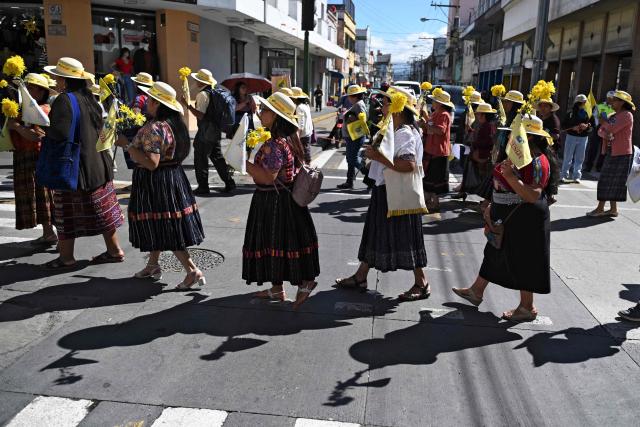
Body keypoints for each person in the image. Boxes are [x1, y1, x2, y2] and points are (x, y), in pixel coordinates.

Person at [452, 115, 560, 321]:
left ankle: (527, 307)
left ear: (529, 137)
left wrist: (510, 176)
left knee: (524, 261)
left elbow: (533, 195)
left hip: (527, 218)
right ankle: (476, 291)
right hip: (509, 214)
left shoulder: (538, 161)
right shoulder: (518, 158)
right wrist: (492, 205)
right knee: (494, 251)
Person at [335, 87, 430, 300]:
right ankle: (361, 275)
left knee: (406, 238)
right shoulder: (395, 129)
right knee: (376, 232)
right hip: (387, 190)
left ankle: (421, 283)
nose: (382, 107)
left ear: (397, 107)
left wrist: (377, 157)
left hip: (397, 193)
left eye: (386, 103)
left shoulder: (404, 132)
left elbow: (408, 164)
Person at [115, 81, 205, 289]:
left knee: (167, 228)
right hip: (172, 178)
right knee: (161, 224)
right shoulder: (174, 124)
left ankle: (192, 270)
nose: (146, 102)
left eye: (149, 99)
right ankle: (153, 264)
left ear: (156, 103)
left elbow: (151, 163)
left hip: (156, 182)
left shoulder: (154, 128)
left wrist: (126, 145)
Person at [42, 57, 125, 268]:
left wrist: (43, 130)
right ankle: (114, 250)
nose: (56, 80)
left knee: (65, 212)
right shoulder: (91, 98)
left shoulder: (64, 100)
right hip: (98, 164)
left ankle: (66, 257)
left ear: (63, 79)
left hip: (76, 168)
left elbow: (60, 132)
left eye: (58, 77)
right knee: (101, 209)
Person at [243, 92, 320, 309]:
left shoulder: (275, 144)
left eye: (266, 110)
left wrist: (242, 162)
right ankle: (277, 288)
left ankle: (305, 283)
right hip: (280, 201)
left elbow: (268, 177)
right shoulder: (286, 139)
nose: (261, 112)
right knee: (277, 244)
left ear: (276, 117)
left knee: (277, 244)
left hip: (274, 202)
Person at [7, 73, 56, 245]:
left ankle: (50, 233)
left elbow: (37, 137)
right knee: (39, 196)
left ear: (40, 91)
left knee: (43, 196)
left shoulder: (42, 110)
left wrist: (16, 126)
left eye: (31, 87)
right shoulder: (27, 109)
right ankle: (48, 232)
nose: (27, 90)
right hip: (25, 156)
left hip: (35, 157)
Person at [187, 69, 236, 195]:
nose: (196, 81)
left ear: (201, 81)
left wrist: (188, 106)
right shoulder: (213, 92)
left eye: (197, 79)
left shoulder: (202, 95)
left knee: (200, 157)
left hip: (205, 130)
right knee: (217, 157)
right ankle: (229, 183)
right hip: (215, 130)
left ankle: (203, 186)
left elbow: (201, 115)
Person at [587, 90, 635, 218]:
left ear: (622, 103)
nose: (611, 102)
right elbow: (601, 131)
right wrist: (606, 131)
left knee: (607, 181)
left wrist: (605, 125)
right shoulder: (613, 115)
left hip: (621, 154)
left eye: (614, 100)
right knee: (611, 181)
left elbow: (609, 128)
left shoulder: (627, 115)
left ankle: (600, 208)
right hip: (611, 152)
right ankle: (613, 209)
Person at [421, 88, 454, 211]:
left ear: (440, 103)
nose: (432, 102)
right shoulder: (435, 113)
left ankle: (435, 204)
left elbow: (440, 130)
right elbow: (429, 129)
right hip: (431, 149)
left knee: (435, 180)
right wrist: (424, 123)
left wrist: (427, 123)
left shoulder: (444, 114)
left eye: (434, 101)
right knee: (429, 179)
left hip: (439, 151)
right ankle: (429, 201)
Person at [459, 102, 496, 200]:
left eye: (479, 114)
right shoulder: (485, 125)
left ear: (484, 115)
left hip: (482, 156)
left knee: (481, 177)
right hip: (479, 154)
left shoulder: (487, 126)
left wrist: (474, 143)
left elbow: (487, 142)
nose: (477, 115)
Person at [338, 84, 368, 189]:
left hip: (355, 137)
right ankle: (349, 181)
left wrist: (350, 118)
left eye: (350, 96)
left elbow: (362, 121)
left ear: (355, 96)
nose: (349, 98)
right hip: (352, 136)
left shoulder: (359, 105)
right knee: (349, 159)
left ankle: (368, 174)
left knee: (352, 159)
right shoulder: (357, 104)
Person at [560, 94, 593, 183]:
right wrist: (573, 127)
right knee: (568, 156)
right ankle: (563, 175)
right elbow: (563, 125)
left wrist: (586, 126)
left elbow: (592, 126)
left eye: (584, 102)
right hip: (571, 136)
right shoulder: (570, 113)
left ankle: (576, 176)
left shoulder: (588, 113)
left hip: (583, 137)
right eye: (581, 102)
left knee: (580, 157)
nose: (583, 103)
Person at [290, 87, 313, 164]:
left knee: (302, 154)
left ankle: (306, 170)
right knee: (306, 151)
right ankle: (307, 166)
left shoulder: (299, 107)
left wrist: (297, 136)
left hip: (303, 134)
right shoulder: (305, 106)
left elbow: (301, 123)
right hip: (308, 132)